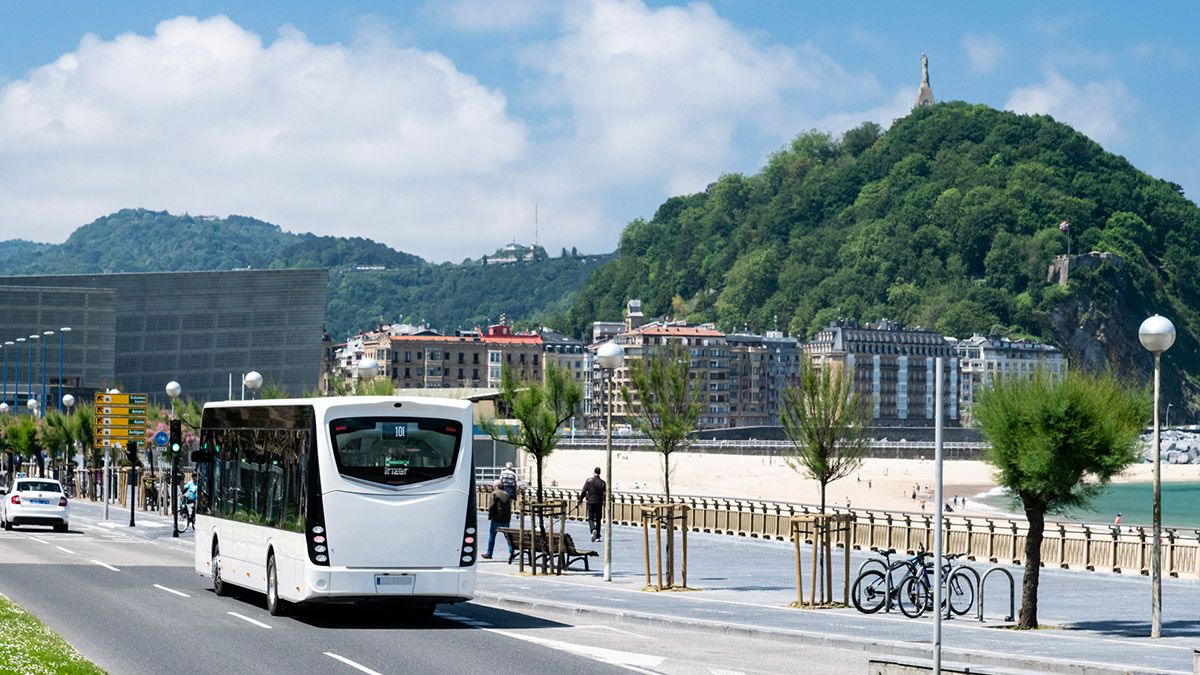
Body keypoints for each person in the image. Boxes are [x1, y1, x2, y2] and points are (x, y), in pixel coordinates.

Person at [482, 480, 512, 560]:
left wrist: (490, 516)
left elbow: (492, 507)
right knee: (508, 537)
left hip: (496, 519)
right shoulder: (507, 494)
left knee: (492, 535)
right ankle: (512, 552)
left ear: (495, 486)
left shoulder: (494, 494)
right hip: (506, 519)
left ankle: (489, 553)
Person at [579, 467, 606, 542]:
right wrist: (604, 503)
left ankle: (593, 529)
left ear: (594, 472)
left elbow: (583, 491)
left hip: (590, 502)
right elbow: (604, 494)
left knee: (590, 519)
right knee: (598, 520)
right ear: (600, 473)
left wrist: (580, 500)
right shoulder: (603, 482)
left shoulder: (588, 481)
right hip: (599, 503)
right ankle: (597, 537)